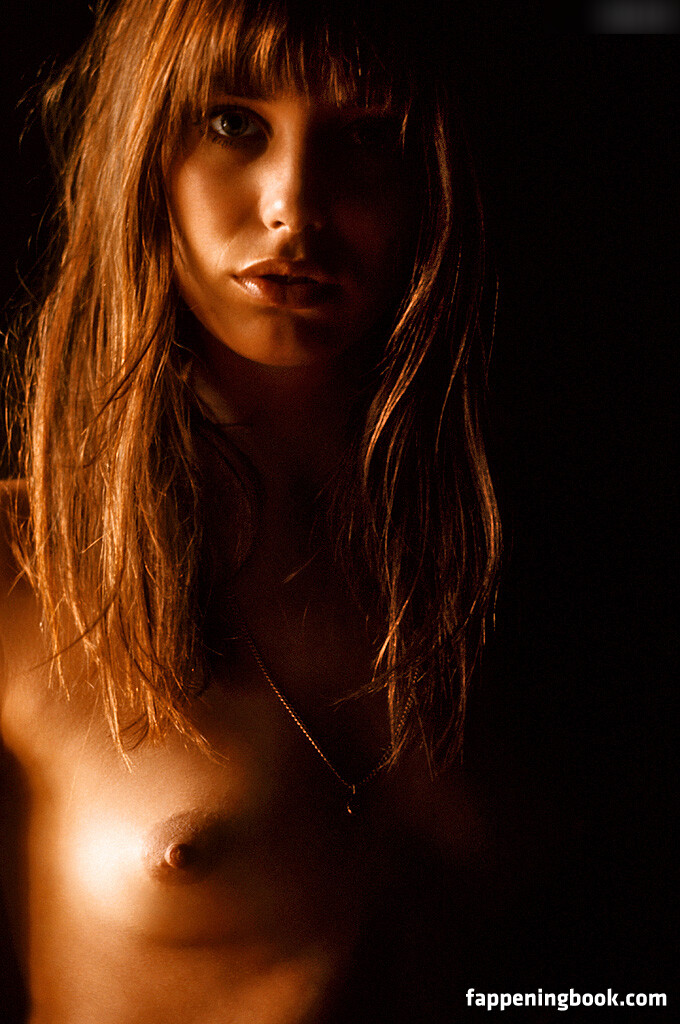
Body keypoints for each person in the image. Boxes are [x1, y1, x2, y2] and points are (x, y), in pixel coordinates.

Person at [0, 0, 501, 1020]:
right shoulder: (21, 570)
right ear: (141, 154)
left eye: (369, 136)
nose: (293, 207)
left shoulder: (542, 561)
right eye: (232, 123)